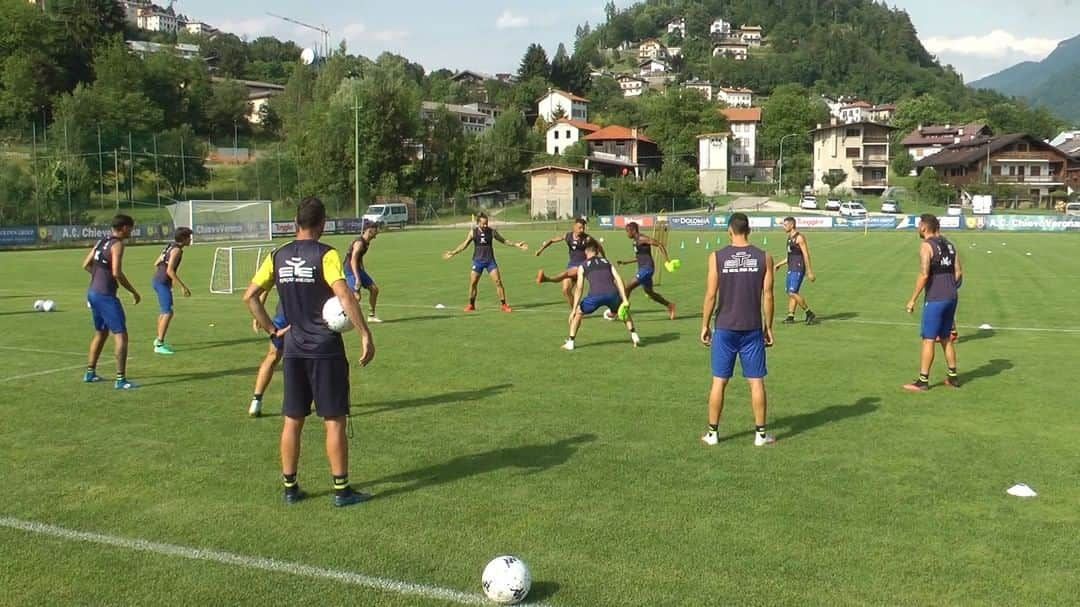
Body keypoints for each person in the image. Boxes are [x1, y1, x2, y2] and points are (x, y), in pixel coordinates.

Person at [244, 197, 376, 507]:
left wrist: (273, 331)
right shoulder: (326, 254)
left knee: (292, 419)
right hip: (325, 349)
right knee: (334, 420)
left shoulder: (277, 255)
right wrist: (365, 333)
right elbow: (343, 293)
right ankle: (342, 491)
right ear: (323, 223)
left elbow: (250, 296)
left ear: (294, 222)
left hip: (293, 349)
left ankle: (290, 488)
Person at [700, 213, 776, 447]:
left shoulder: (717, 257)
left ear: (729, 231)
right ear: (749, 230)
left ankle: (713, 434)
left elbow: (711, 294)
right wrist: (769, 327)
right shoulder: (765, 257)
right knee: (756, 382)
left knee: (719, 381)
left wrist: (704, 325)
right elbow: (769, 295)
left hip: (724, 327)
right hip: (752, 327)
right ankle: (760, 435)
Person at [903, 214, 963, 392]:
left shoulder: (926, 246)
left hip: (936, 298)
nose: (917, 228)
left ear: (924, 227)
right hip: (952, 297)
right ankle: (953, 377)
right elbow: (959, 272)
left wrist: (912, 299)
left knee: (928, 339)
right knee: (946, 338)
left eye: (919, 225)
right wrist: (951, 287)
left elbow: (924, 274)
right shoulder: (950, 245)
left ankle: (923, 381)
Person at [83, 214, 141, 390]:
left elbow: (86, 264)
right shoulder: (117, 245)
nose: (131, 231)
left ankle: (90, 373)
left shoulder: (102, 241)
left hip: (93, 292)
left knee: (101, 333)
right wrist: (133, 291)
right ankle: (121, 379)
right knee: (121, 335)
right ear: (124, 227)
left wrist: (99, 278)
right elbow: (116, 272)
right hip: (106, 296)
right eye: (130, 227)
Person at [562, 239, 639, 351]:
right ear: (597, 251)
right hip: (612, 294)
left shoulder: (583, 266)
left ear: (586, 252)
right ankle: (634, 335)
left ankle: (571, 342)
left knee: (579, 313)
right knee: (624, 310)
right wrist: (624, 299)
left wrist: (573, 309)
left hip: (595, 296)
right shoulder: (607, 262)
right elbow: (618, 279)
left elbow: (579, 288)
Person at [443, 212, 528, 312]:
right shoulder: (472, 232)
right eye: (483, 223)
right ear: (478, 223)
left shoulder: (491, 231)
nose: (485, 225)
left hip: (490, 261)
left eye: (486, 223)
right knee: (473, 283)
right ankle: (471, 305)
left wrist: (516, 244)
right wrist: (453, 252)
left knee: (498, 282)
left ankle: (504, 305)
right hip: (477, 261)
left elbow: (503, 240)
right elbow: (464, 245)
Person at [535, 218, 601, 306]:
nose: (581, 230)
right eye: (579, 228)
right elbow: (552, 240)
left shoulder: (587, 238)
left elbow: (599, 246)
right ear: (574, 227)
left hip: (582, 266)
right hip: (572, 265)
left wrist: (604, 258)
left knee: (566, 273)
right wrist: (540, 250)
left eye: (583, 228)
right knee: (566, 290)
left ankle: (546, 279)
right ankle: (576, 311)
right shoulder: (568, 236)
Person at [618, 222, 676, 320]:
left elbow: (659, 244)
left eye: (627, 231)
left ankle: (622, 311)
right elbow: (639, 257)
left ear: (633, 230)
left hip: (647, 269)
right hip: (643, 269)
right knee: (650, 293)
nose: (627, 234)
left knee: (627, 288)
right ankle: (670, 305)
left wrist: (667, 261)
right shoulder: (635, 241)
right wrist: (626, 262)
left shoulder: (642, 238)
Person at [150, 227, 193, 354]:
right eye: (189, 237)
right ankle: (159, 344)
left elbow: (156, 262)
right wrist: (182, 286)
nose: (190, 240)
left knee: (164, 311)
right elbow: (170, 270)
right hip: (162, 282)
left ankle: (158, 339)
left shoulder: (170, 246)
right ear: (184, 239)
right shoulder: (177, 251)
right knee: (168, 312)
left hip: (157, 280)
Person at [248, 287, 289, 418]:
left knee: (273, 356)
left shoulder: (277, 265)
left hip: (283, 315)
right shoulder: (321, 265)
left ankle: (256, 400)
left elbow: (262, 288)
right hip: (309, 317)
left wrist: (258, 315)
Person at [773, 217, 817, 325]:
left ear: (791, 225)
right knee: (791, 292)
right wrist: (778, 265)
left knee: (792, 292)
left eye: (785, 225)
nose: (783, 227)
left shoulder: (799, 238)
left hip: (798, 268)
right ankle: (791, 316)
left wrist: (809, 271)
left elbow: (806, 255)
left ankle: (809, 312)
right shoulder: (789, 238)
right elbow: (789, 257)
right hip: (791, 268)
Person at [344, 222, 382, 323]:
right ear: (370, 230)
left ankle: (371, 316)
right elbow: (353, 260)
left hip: (357, 269)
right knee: (357, 297)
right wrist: (357, 278)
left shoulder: (366, 242)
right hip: (350, 270)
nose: (377, 232)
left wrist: (363, 272)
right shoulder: (359, 243)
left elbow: (359, 259)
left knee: (374, 289)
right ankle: (344, 316)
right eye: (376, 230)